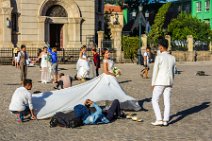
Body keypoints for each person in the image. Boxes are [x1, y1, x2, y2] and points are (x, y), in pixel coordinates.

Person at [151, 38, 176, 126]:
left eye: (159, 47)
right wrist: (172, 81)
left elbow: (155, 71)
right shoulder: (173, 58)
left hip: (160, 81)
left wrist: (152, 83)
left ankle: (159, 119)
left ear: (161, 47)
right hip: (169, 81)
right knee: (167, 101)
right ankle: (165, 120)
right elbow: (174, 71)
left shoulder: (159, 57)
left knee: (154, 100)